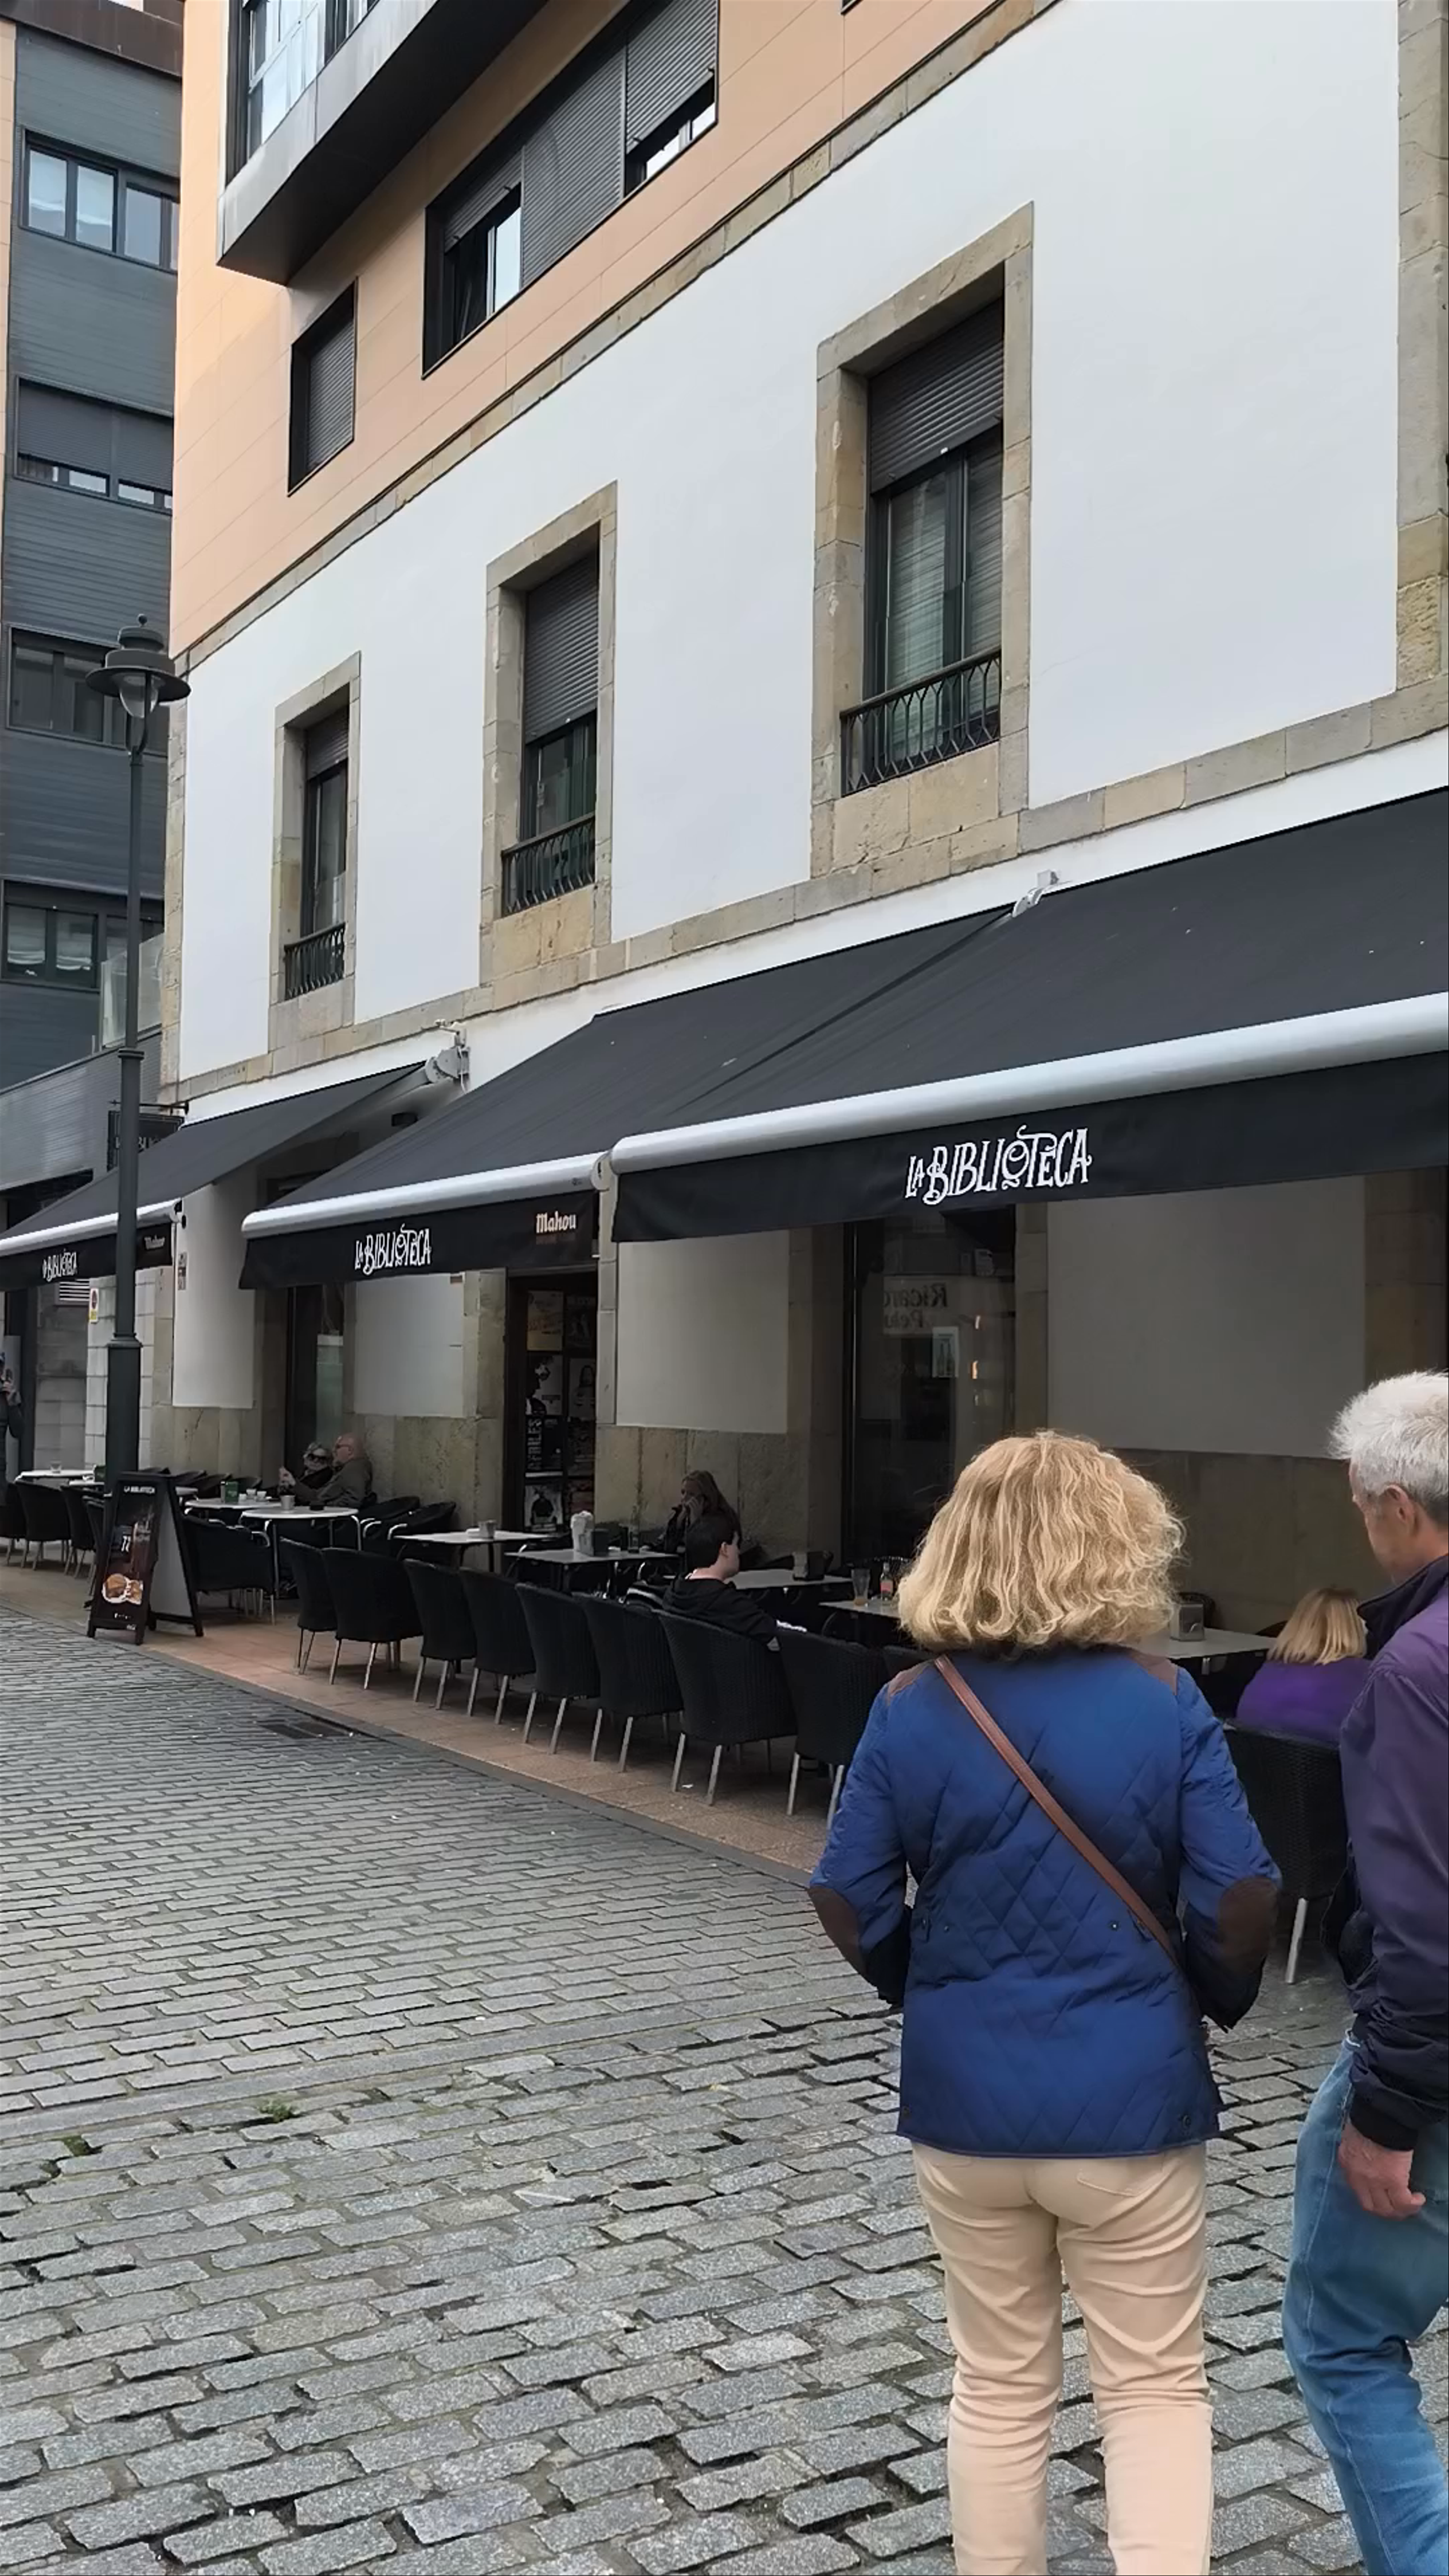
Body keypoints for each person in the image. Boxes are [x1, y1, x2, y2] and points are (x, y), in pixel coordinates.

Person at [810, 1431, 1278, 2576]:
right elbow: (1239, 1894)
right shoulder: (1163, 1701)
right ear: (1116, 1547)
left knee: (997, 2380)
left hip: (963, 2101)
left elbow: (844, 1890)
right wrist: (1207, 1997)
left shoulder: (910, 1705)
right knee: (1155, 2385)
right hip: (1128, 2098)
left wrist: (927, 1986)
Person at [1282, 1371, 1448, 2576]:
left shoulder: (1412, 1671)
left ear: (1397, 1508)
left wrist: (1385, 2111)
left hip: (1426, 2065)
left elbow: (1423, 1921)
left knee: (1340, 2334)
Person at [1234, 1587, 1370, 1744]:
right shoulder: (1366, 1675)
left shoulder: (1270, 1668)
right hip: (1327, 1766)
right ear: (1357, 1628)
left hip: (1253, 1765)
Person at [663, 1512, 777, 1643]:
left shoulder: (673, 1593)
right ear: (724, 1549)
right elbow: (779, 1637)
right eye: (736, 1544)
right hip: (743, 1662)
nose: (739, 1552)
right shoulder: (729, 1604)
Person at [281, 1431, 372, 1510]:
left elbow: (354, 1500)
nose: (334, 1451)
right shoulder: (347, 1469)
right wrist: (293, 1483)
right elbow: (317, 1496)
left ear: (350, 1451)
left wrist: (326, 1507)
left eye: (338, 1447)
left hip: (331, 1521)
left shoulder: (354, 1469)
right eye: (312, 1457)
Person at [660, 1469, 740, 1553]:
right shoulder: (682, 1514)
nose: (684, 1498)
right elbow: (667, 1547)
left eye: (691, 1494)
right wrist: (678, 1526)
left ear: (706, 1500)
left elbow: (703, 1553)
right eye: (683, 1492)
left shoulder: (721, 1520)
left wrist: (696, 1524)